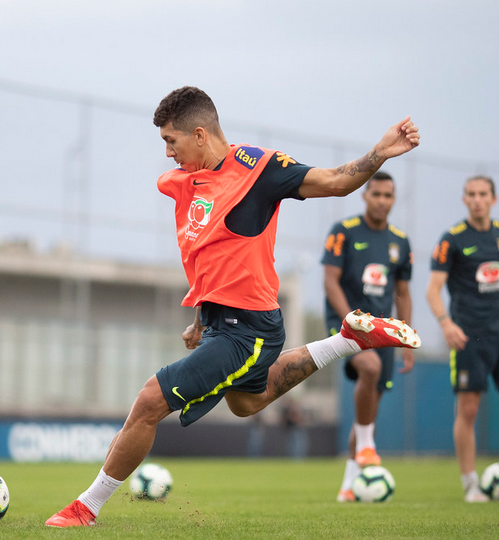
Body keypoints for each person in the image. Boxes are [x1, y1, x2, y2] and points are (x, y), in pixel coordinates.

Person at [45, 86, 422, 527]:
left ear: (200, 134)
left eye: (172, 141)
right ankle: (346, 340)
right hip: (227, 324)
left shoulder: (261, 170)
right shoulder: (190, 183)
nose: (168, 153)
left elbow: (337, 181)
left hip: (249, 329)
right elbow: (212, 256)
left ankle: (86, 507)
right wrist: (201, 317)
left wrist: (379, 152)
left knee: (150, 401)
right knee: (246, 403)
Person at [321, 172, 414, 502]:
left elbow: (402, 292)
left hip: (383, 329)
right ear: (365, 196)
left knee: (368, 412)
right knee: (370, 368)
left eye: (389, 196)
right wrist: (352, 321)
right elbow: (330, 281)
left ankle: (349, 486)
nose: (382, 201)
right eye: (377, 194)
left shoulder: (400, 241)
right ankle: (368, 447)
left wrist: (405, 335)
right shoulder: (343, 232)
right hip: (345, 323)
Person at [426, 175, 499, 503]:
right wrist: (446, 324)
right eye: (471, 194)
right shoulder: (452, 239)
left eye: (483, 194)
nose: (477, 199)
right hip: (470, 337)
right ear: (464, 199)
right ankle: (471, 484)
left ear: (493, 199)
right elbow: (432, 290)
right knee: (468, 409)